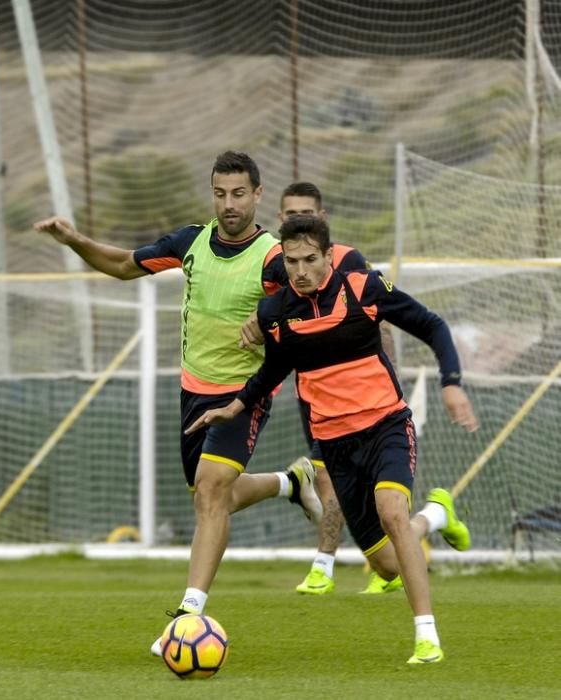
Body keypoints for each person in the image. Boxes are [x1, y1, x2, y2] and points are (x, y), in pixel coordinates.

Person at [33, 151, 323, 656]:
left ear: (257, 195)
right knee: (212, 498)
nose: (229, 204)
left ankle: (188, 616)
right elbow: (124, 265)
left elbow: (311, 289)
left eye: (239, 194)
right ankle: (290, 482)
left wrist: (268, 312)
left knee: (211, 492)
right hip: (193, 392)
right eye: (220, 193)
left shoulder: (276, 257)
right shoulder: (191, 243)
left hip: (244, 394)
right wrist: (74, 240)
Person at [186, 214, 479, 664]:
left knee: (392, 512)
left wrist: (452, 382)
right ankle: (436, 516)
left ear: (328, 256)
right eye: (291, 261)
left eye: (309, 259)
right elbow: (274, 369)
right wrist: (236, 405)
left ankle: (427, 639)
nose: (300, 270)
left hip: (386, 427)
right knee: (386, 562)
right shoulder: (276, 312)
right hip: (335, 446)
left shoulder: (364, 289)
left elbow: (433, 326)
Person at [277, 182, 403, 596]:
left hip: (365, 398)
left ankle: (324, 563)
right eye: (290, 214)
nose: (297, 220)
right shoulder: (274, 267)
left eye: (306, 214)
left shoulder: (350, 263)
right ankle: (343, 561)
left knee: (360, 488)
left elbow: (375, 319)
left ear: (323, 219)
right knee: (335, 480)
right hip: (311, 391)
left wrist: (385, 377)